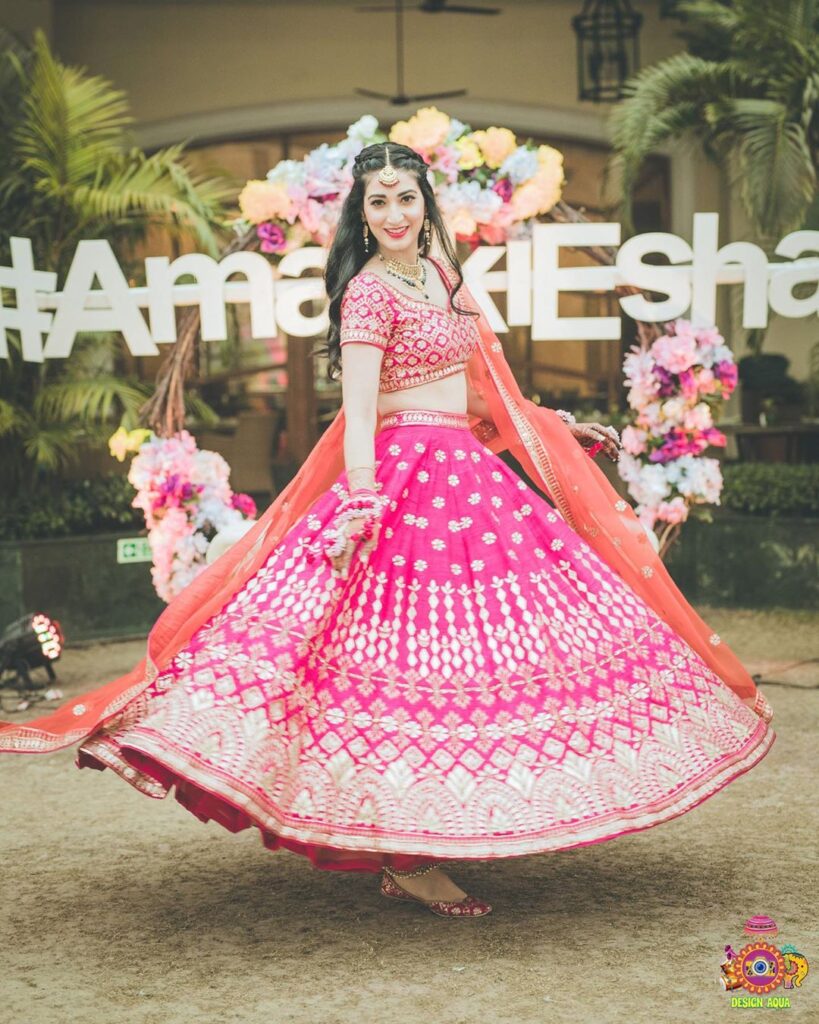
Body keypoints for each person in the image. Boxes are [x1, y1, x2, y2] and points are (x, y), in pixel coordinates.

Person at [0, 142, 775, 920]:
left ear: (425, 202)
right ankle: (408, 859)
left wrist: (556, 428)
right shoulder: (367, 294)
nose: (394, 214)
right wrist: (363, 500)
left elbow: (478, 389)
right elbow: (361, 413)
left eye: (406, 197)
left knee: (482, 661)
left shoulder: (442, 274)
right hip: (403, 481)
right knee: (388, 663)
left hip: (467, 474)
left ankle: (449, 820)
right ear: (360, 215)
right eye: (378, 202)